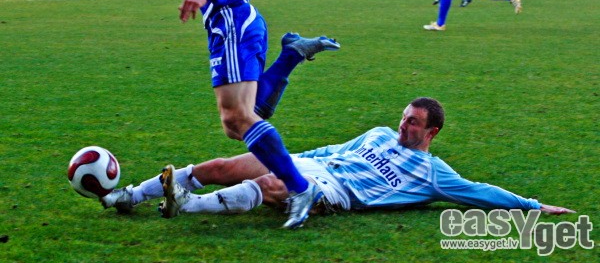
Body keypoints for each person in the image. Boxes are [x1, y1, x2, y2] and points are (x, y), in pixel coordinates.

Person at [138, 0, 340, 229]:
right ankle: (291, 55)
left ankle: (299, 188)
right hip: (225, 25)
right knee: (238, 122)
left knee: (239, 118)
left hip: (232, 21)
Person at [101, 97, 574, 223]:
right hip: (316, 167)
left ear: (431, 133)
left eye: (413, 124)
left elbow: (478, 193)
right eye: (404, 117)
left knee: (271, 187)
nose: (403, 126)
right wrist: (286, 158)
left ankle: (186, 206)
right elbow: (332, 151)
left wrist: (532, 206)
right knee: (224, 165)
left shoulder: (433, 174)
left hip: (333, 193)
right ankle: (130, 195)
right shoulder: (379, 133)